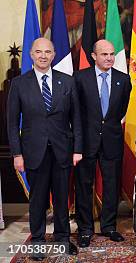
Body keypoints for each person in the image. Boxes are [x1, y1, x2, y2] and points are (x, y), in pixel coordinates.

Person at [7, 38, 82, 259]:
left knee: (61, 198)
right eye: (38, 51)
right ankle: (38, 242)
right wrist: (17, 154)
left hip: (62, 150)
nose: (43, 55)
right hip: (32, 152)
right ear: (31, 54)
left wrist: (77, 149)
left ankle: (62, 240)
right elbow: (12, 123)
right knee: (37, 200)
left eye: (47, 51)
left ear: (54, 54)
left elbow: (76, 118)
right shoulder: (19, 84)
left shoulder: (67, 82)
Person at [74, 40, 132, 247]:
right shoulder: (80, 78)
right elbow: (76, 112)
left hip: (112, 140)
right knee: (83, 185)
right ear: (93, 56)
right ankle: (85, 229)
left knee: (111, 185)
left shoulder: (124, 80)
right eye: (104, 54)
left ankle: (109, 226)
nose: (109, 58)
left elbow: (121, 110)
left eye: (111, 54)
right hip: (86, 142)